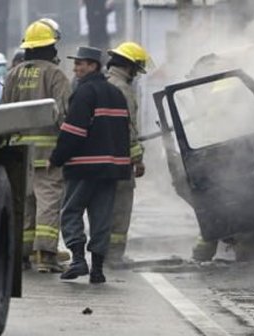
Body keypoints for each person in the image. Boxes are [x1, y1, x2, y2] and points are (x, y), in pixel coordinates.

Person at [53, 46, 131, 284]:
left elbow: (74, 131)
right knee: (101, 217)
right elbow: (125, 134)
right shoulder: (117, 94)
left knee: (71, 212)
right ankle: (97, 269)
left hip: (83, 167)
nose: (76, 68)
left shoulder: (84, 93)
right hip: (111, 168)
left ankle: (78, 259)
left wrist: (56, 158)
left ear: (94, 66)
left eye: (81, 64)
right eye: (76, 64)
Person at [2, 19, 71, 273]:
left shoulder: (13, 73)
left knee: (24, 204)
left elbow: (4, 115)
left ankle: (22, 255)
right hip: (48, 154)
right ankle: (45, 256)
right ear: (51, 46)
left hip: (20, 153)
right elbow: (65, 114)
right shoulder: (56, 74)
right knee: (48, 204)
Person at [105, 42, 150, 265]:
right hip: (121, 160)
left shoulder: (101, 83)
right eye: (136, 70)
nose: (136, 75)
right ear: (130, 67)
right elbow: (129, 127)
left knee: (102, 207)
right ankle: (114, 255)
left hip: (100, 159)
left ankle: (100, 251)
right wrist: (137, 158)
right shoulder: (123, 89)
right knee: (120, 209)